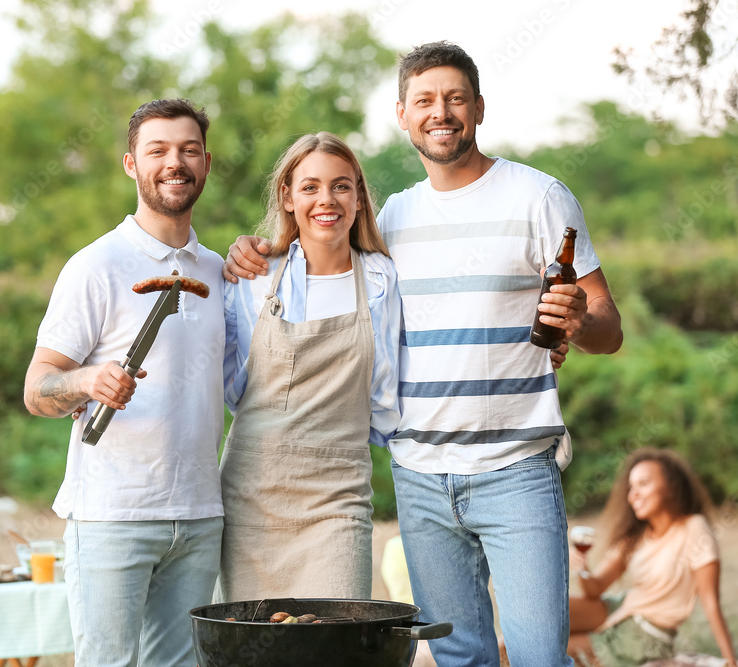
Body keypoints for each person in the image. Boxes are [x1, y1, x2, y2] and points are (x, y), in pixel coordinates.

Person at [224, 41, 623, 666]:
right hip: (419, 475)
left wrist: (578, 319)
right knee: (458, 656)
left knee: (541, 655)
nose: (441, 112)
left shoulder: (540, 198)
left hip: (514, 466)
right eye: (425, 101)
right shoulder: (397, 217)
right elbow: (323, 254)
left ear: (479, 108)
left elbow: (608, 327)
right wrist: (258, 250)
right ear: (405, 117)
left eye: (455, 98)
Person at [23, 98, 224, 667]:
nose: (174, 162)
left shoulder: (216, 271)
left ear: (206, 163)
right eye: (157, 150)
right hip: (113, 513)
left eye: (188, 150)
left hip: (201, 514)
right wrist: (88, 381)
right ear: (131, 164)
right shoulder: (95, 265)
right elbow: (36, 389)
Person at [217, 131, 401, 601]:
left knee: (332, 642)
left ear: (359, 196)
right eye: (310, 187)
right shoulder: (253, 279)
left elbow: (386, 392)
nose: (327, 199)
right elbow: (223, 381)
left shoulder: (382, 279)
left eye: (342, 186)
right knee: (250, 649)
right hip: (250, 497)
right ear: (287, 196)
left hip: (336, 500)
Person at [568, 448, 738, 667]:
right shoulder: (634, 536)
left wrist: (731, 661)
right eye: (631, 487)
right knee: (543, 616)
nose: (633, 494)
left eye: (644, 483)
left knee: (545, 651)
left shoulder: (693, 528)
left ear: (671, 488)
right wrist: (582, 568)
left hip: (643, 635)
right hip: (619, 608)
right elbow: (595, 589)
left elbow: (711, 602)